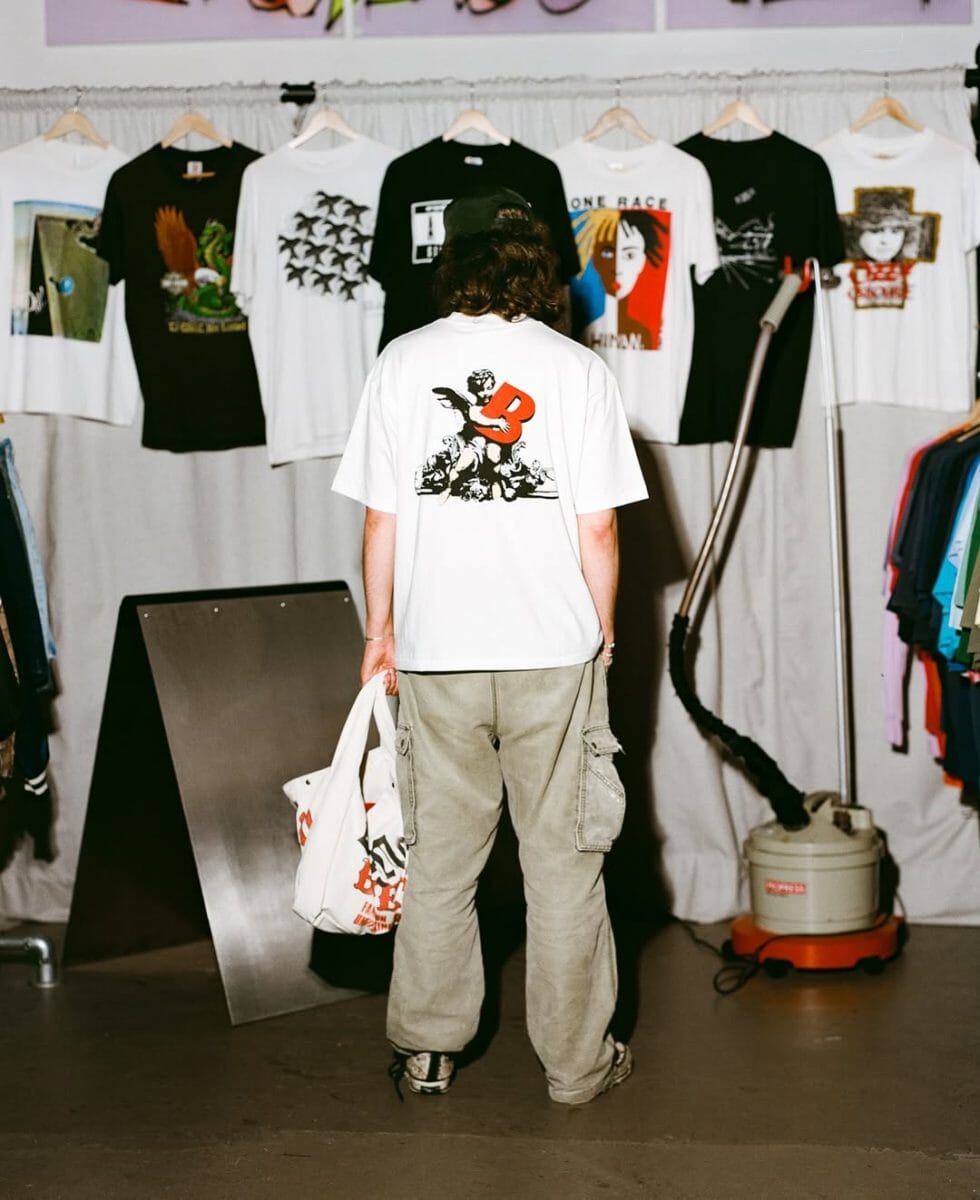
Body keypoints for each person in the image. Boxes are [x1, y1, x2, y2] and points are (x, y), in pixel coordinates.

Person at [333, 185, 647, 1103]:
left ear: (450, 262)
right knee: (564, 865)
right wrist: (605, 627)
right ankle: (578, 1067)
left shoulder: (400, 361)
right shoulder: (577, 370)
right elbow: (598, 531)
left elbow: (381, 521)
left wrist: (378, 632)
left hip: (436, 655)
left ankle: (426, 1050)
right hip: (552, 649)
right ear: (540, 264)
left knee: (440, 860)